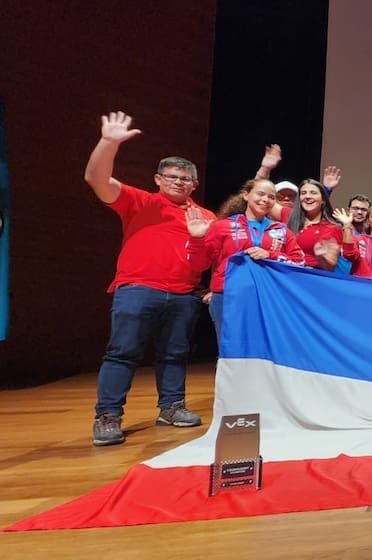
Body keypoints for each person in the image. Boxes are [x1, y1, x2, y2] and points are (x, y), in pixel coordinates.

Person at [84, 111, 213, 446]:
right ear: (157, 179)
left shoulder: (205, 216)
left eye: (185, 179)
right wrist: (109, 142)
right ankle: (108, 416)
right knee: (122, 352)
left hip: (184, 295)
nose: (178, 182)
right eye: (171, 177)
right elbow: (96, 178)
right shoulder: (138, 201)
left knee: (174, 354)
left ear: (194, 185)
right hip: (138, 289)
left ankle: (171, 407)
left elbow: (210, 258)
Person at [186, 179, 303, 340]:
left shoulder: (281, 230)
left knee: (261, 350)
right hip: (228, 295)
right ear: (246, 195)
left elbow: (299, 262)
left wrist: (270, 255)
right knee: (230, 351)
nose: (265, 200)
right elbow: (199, 264)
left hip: (267, 296)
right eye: (260, 194)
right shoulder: (223, 226)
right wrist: (197, 238)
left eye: (271, 197)